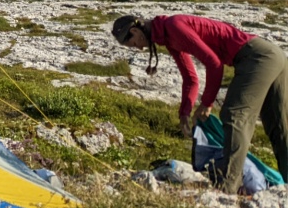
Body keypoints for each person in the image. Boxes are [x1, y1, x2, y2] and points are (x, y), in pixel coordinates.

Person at [111, 13, 288, 194]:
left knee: (234, 116)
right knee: (278, 126)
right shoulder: (167, 35)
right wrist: (184, 113)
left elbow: (214, 63)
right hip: (272, 54)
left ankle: (228, 187)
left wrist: (207, 103)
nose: (139, 48)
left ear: (134, 31)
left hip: (256, 57)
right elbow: (190, 79)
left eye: (133, 43)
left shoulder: (173, 26)